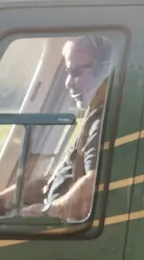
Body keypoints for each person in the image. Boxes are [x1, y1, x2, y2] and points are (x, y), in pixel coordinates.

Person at [0, 34, 112, 221]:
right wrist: (14, 195)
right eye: (66, 72)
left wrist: (49, 213)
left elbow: (94, 183)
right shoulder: (93, 117)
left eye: (75, 72)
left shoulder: (102, 121)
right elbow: (64, 180)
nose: (68, 83)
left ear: (103, 71)